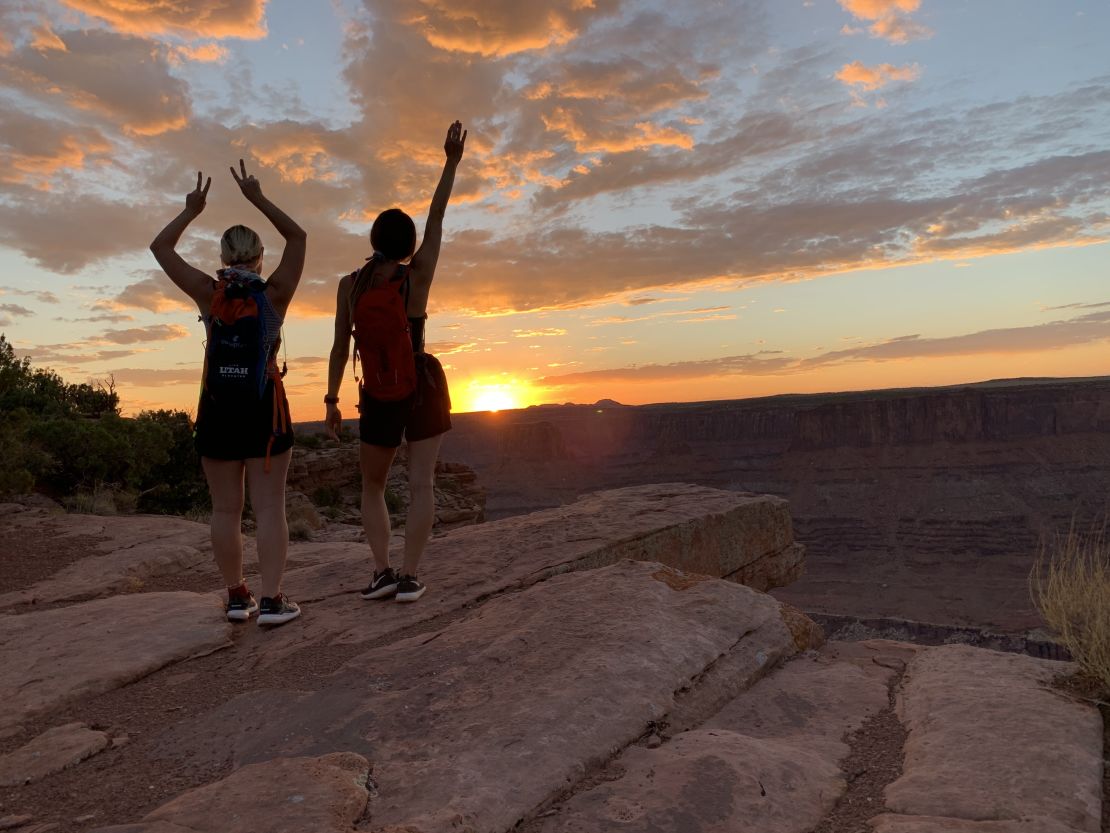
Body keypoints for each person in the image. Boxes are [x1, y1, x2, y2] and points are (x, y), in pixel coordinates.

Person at [150, 160, 306, 626]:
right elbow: (298, 238)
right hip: (265, 410)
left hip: (216, 409)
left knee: (225, 508)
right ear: (260, 257)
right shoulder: (274, 294)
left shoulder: (207, 291)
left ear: (222, 256)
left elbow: (159, 246)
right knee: (271, 507)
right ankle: (273, 601)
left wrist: (191, 210)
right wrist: (256, 197)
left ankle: (238, 598)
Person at [325, 120, 466, 603]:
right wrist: (450, 162)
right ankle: (409, 576)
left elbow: (341, 348)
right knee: (421, 483)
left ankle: (381, 571)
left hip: (377, 391)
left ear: (373, 238)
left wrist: (330, 399)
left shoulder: (351, 285)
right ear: (408, 245)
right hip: (422, 382)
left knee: (373, 486)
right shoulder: (418, 275)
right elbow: (438, 217)